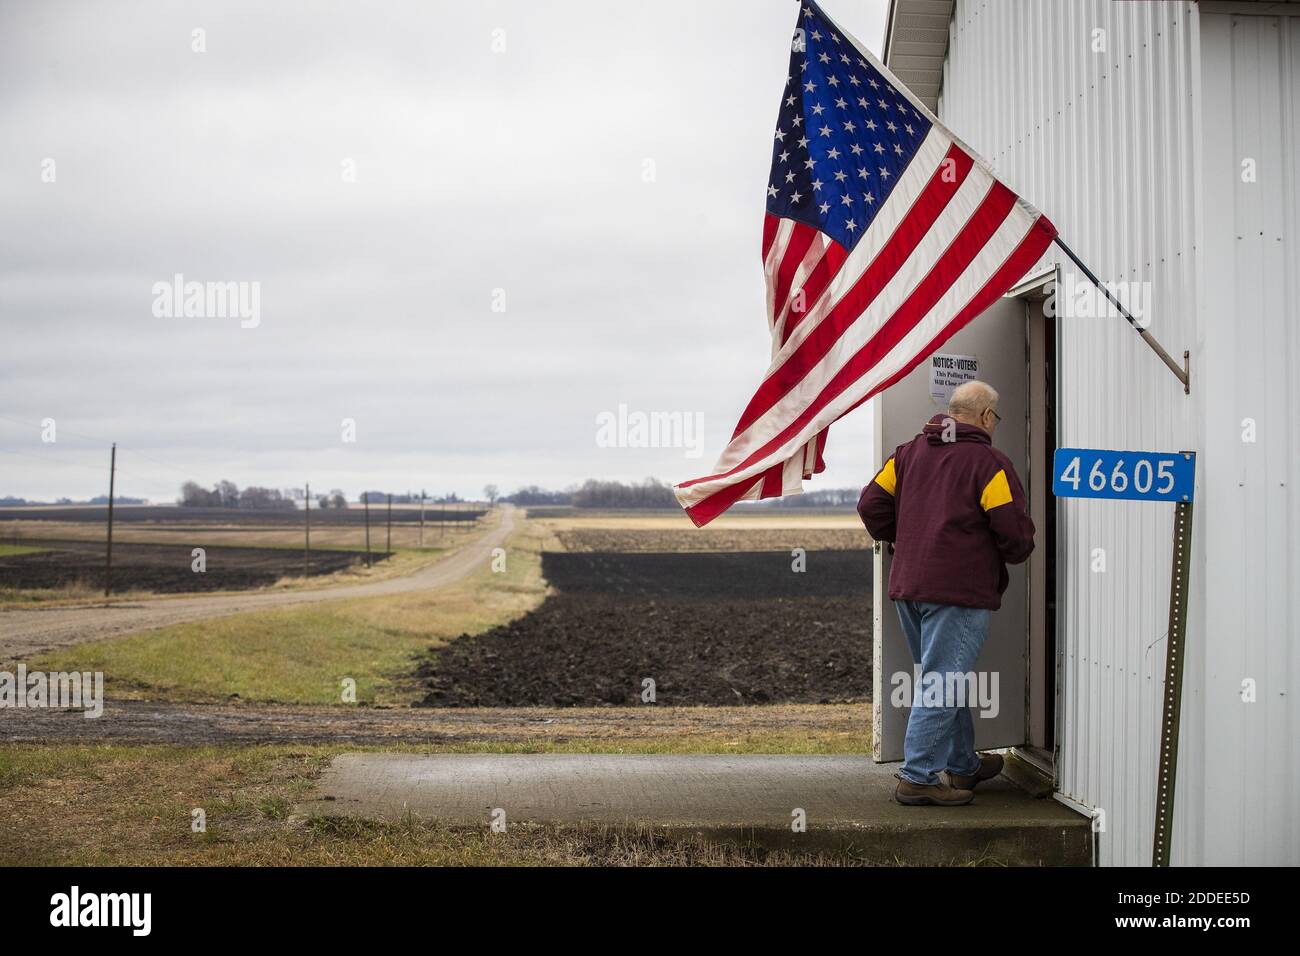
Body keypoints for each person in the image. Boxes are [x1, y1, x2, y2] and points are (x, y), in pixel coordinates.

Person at [858, 381, 1035, 806]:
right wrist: (1004, 553)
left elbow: (870, 505)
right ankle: (917, 778)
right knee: (943, 681)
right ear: (987, 417)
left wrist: (909, 538)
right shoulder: (988, 463)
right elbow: (1014, 535)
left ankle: (963, 767)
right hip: (957, 590)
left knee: (940, 676)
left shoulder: (907, 453)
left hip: (909, 588)